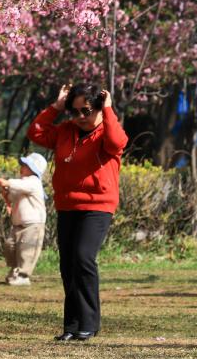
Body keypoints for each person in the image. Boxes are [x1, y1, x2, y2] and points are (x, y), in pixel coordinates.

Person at [27, 83, 128, 342]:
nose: (80, 117)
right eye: (74, 111)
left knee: (83, 258)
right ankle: (71, 326)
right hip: (67, 205)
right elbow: (36, 132)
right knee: (68, 265)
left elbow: (117, 143)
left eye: (86, 111)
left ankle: (89, 323)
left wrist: (108, 110)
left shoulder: (107, 131)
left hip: (98, 205)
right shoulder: (65, 131)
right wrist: (56, 107)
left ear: (98, 108)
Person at [0, 152, 48, 286]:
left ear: (33, 170)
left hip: (33, 225)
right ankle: (15, 270)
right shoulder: (22, 184)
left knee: (27, 251)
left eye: (25, 165)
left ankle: (23, 275)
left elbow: (20, 185)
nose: (22, 167)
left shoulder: (34, 182)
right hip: (18, 225)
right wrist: (6, 192)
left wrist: (8, 182)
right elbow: (13, 196)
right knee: (10, 246)